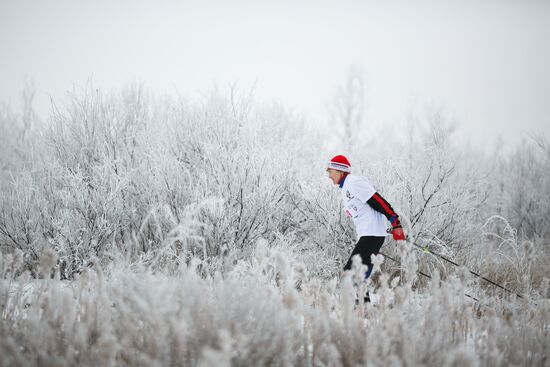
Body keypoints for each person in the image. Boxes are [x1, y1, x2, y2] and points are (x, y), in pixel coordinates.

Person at [326, 154, 405, 301]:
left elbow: (378, 201)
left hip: (372, 234)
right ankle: (363, 308)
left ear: (340, 171)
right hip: (369, 235)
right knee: (359, 274)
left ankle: (361, 309)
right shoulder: (345, 188)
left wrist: (395, 221)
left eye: (330, 171)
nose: (329, 175)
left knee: (351, 274)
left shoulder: (354, 182)